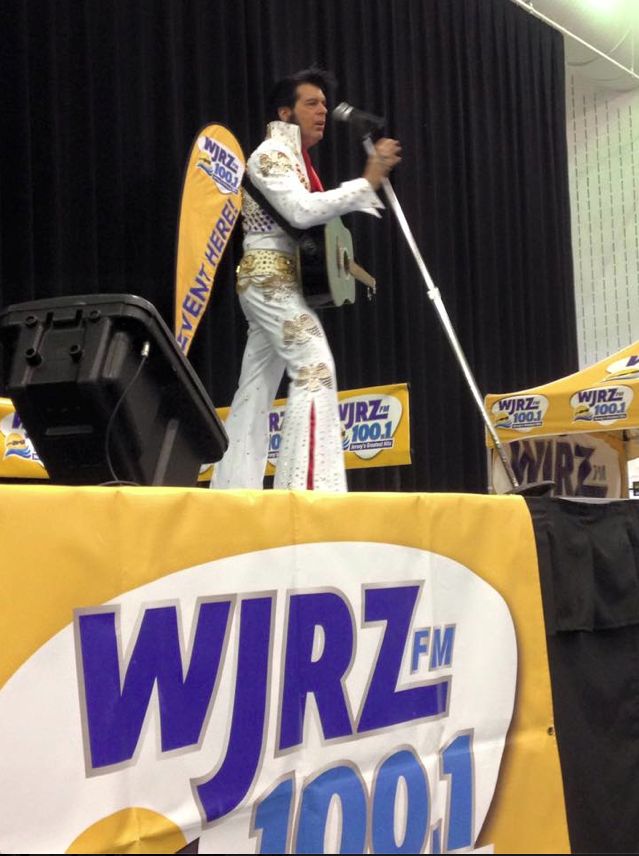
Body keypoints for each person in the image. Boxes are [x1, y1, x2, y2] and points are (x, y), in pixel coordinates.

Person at [210, 68, 401, 491]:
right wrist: (365, 182)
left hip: (278, 281)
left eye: (324, 105)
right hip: (269, 280)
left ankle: (233, 491)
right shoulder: (271, 154)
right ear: (285, 112)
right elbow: (300, 211)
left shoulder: (298, 161)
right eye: (311, 103)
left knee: (255, 388)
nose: (322, 112)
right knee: (315, 367)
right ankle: (309, 490)